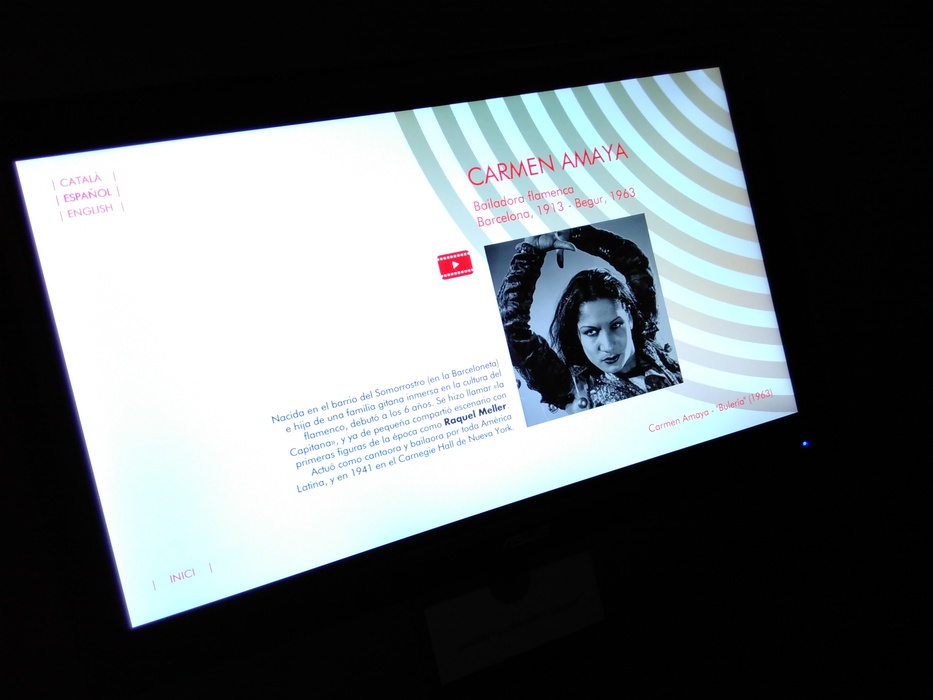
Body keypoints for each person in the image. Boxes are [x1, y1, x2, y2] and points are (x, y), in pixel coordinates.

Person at [497, 224, 682, 414]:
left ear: (629, 317)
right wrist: (530, 252)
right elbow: (510, 329)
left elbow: (634, 263)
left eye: (616, 325)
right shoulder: (573, 389)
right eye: (591, 332)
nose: (608, 346)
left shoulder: (647, 338)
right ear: (577, 334)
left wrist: (576, 234)